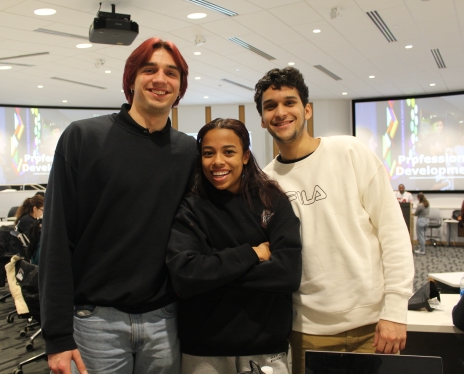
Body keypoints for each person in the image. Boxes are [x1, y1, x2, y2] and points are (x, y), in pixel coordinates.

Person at [39, 37, 196, 374]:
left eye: (171, 73)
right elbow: (56, 239)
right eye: (149, 69)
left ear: (180, 86)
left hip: (164, 320)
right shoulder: (83, 138)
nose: (160, 79)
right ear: (131, 79)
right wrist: (57, 336)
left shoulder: (188, 152)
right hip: (96, 323)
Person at [254, 66, 414, 374]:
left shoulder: (350, 152)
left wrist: (395, 310)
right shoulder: (265, 182)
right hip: (306, 331)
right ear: (262, 119)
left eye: (290, 102)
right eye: (270, 106)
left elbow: (392, 233)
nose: (281, 112)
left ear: (307, 110)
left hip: (374, 326)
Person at [166, 118, 302, 374]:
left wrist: (213, 270)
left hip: (267, 349)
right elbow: (185, 275)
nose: (218, 161)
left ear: (246, 156)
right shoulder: (191, 208)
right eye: (208, 153)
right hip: (203, 352)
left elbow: (287, 274)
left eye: (229, 151)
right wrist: (252, 253)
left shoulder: (272, 201)